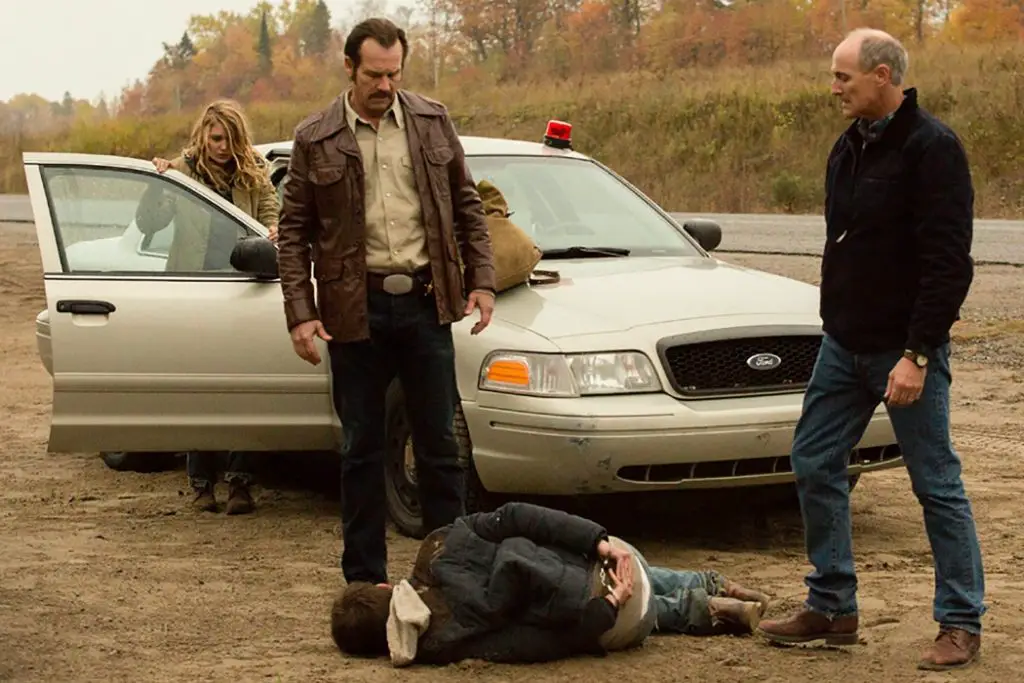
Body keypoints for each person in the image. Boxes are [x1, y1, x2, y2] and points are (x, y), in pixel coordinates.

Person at [756, 28, 985, 671]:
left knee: (935, 483)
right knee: (813, 460)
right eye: (834, 76)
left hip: (902, 351)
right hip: (843, 344)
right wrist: (836, 321)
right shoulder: (849, 145)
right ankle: (832, 608)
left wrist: (918, 353)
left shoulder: (932, 148)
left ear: (882, 76)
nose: (834, 88)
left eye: (843, 76)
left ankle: (961, 621)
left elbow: (949, 264)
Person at [276, 18, 496, 584]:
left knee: (441, 448)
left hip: (426, 303)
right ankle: (364, 582)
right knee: (361, 451)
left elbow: (467, 206)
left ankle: (449, 577)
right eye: (374, 74)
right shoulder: (315, 136)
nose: (385, 85)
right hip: (355, 311)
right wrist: (301, 313)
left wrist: (482, 280)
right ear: (350, 68)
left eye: (394, 73)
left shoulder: (431, 120)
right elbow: (293, 232)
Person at [329, 502, 772, 666]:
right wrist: (597, 541)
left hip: (616, 617)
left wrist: (608, 607)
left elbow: (534, 644)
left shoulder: (443, 643)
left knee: (619, 610)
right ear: (385, 588)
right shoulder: (440, 545)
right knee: (609, 563)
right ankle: (713, 583)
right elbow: (521, 516)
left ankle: (704, 610)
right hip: (609, 561)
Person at [136, 98, 281, 515]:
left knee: (246, 388)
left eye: (230, 139)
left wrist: (274, 227)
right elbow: (149, 223)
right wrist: (158, 182)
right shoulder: (181, 171)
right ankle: (201, 483)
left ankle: (240, 482)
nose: (222, 147)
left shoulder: (254, 170)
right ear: (203, 135)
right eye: (216, 138)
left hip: (244, 289)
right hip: (194, 290)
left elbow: (271, 211)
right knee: (197, 387)